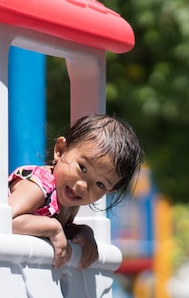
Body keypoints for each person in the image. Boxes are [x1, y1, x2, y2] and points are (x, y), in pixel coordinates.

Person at [8, 113, 144, 270]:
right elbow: (4, 220)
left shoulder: (69, 198)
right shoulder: (39, 186)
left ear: (109, 190)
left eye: (100, 184)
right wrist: (53, 227)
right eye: (82, 168)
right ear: (60, 150)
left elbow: (61, 227)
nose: (84, 186)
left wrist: (84, 233)